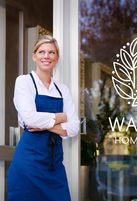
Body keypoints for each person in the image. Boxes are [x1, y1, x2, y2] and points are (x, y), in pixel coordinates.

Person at [8, 35, 79, 201]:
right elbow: (30, 119)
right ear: (34, 56)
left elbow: (75, 126)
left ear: (57, 58)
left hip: (54, 165)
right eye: (42, 52)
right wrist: (60, 117)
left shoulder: (62, 89)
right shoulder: (24, 82)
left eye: (51, 52)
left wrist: (45, 124)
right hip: (28, 164)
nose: (46, 56)